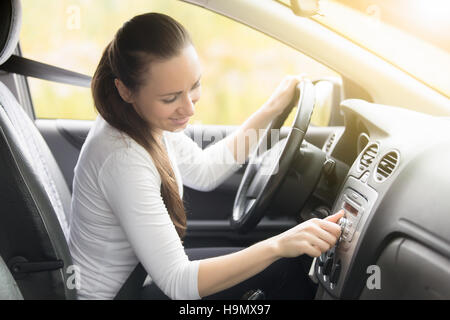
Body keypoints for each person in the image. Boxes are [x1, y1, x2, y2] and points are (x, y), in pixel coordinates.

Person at [68, 12, 344, 300]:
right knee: (284, 270)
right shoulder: (122, 158)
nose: (189, 109)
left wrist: (271, 109)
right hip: (124, 295)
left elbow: (205, 170)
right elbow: (179, 282)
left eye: (194, 86)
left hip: (142, 279)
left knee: (277, 267)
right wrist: (279, 244)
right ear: (125, 90)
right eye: (170, 98)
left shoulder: (144, 119)